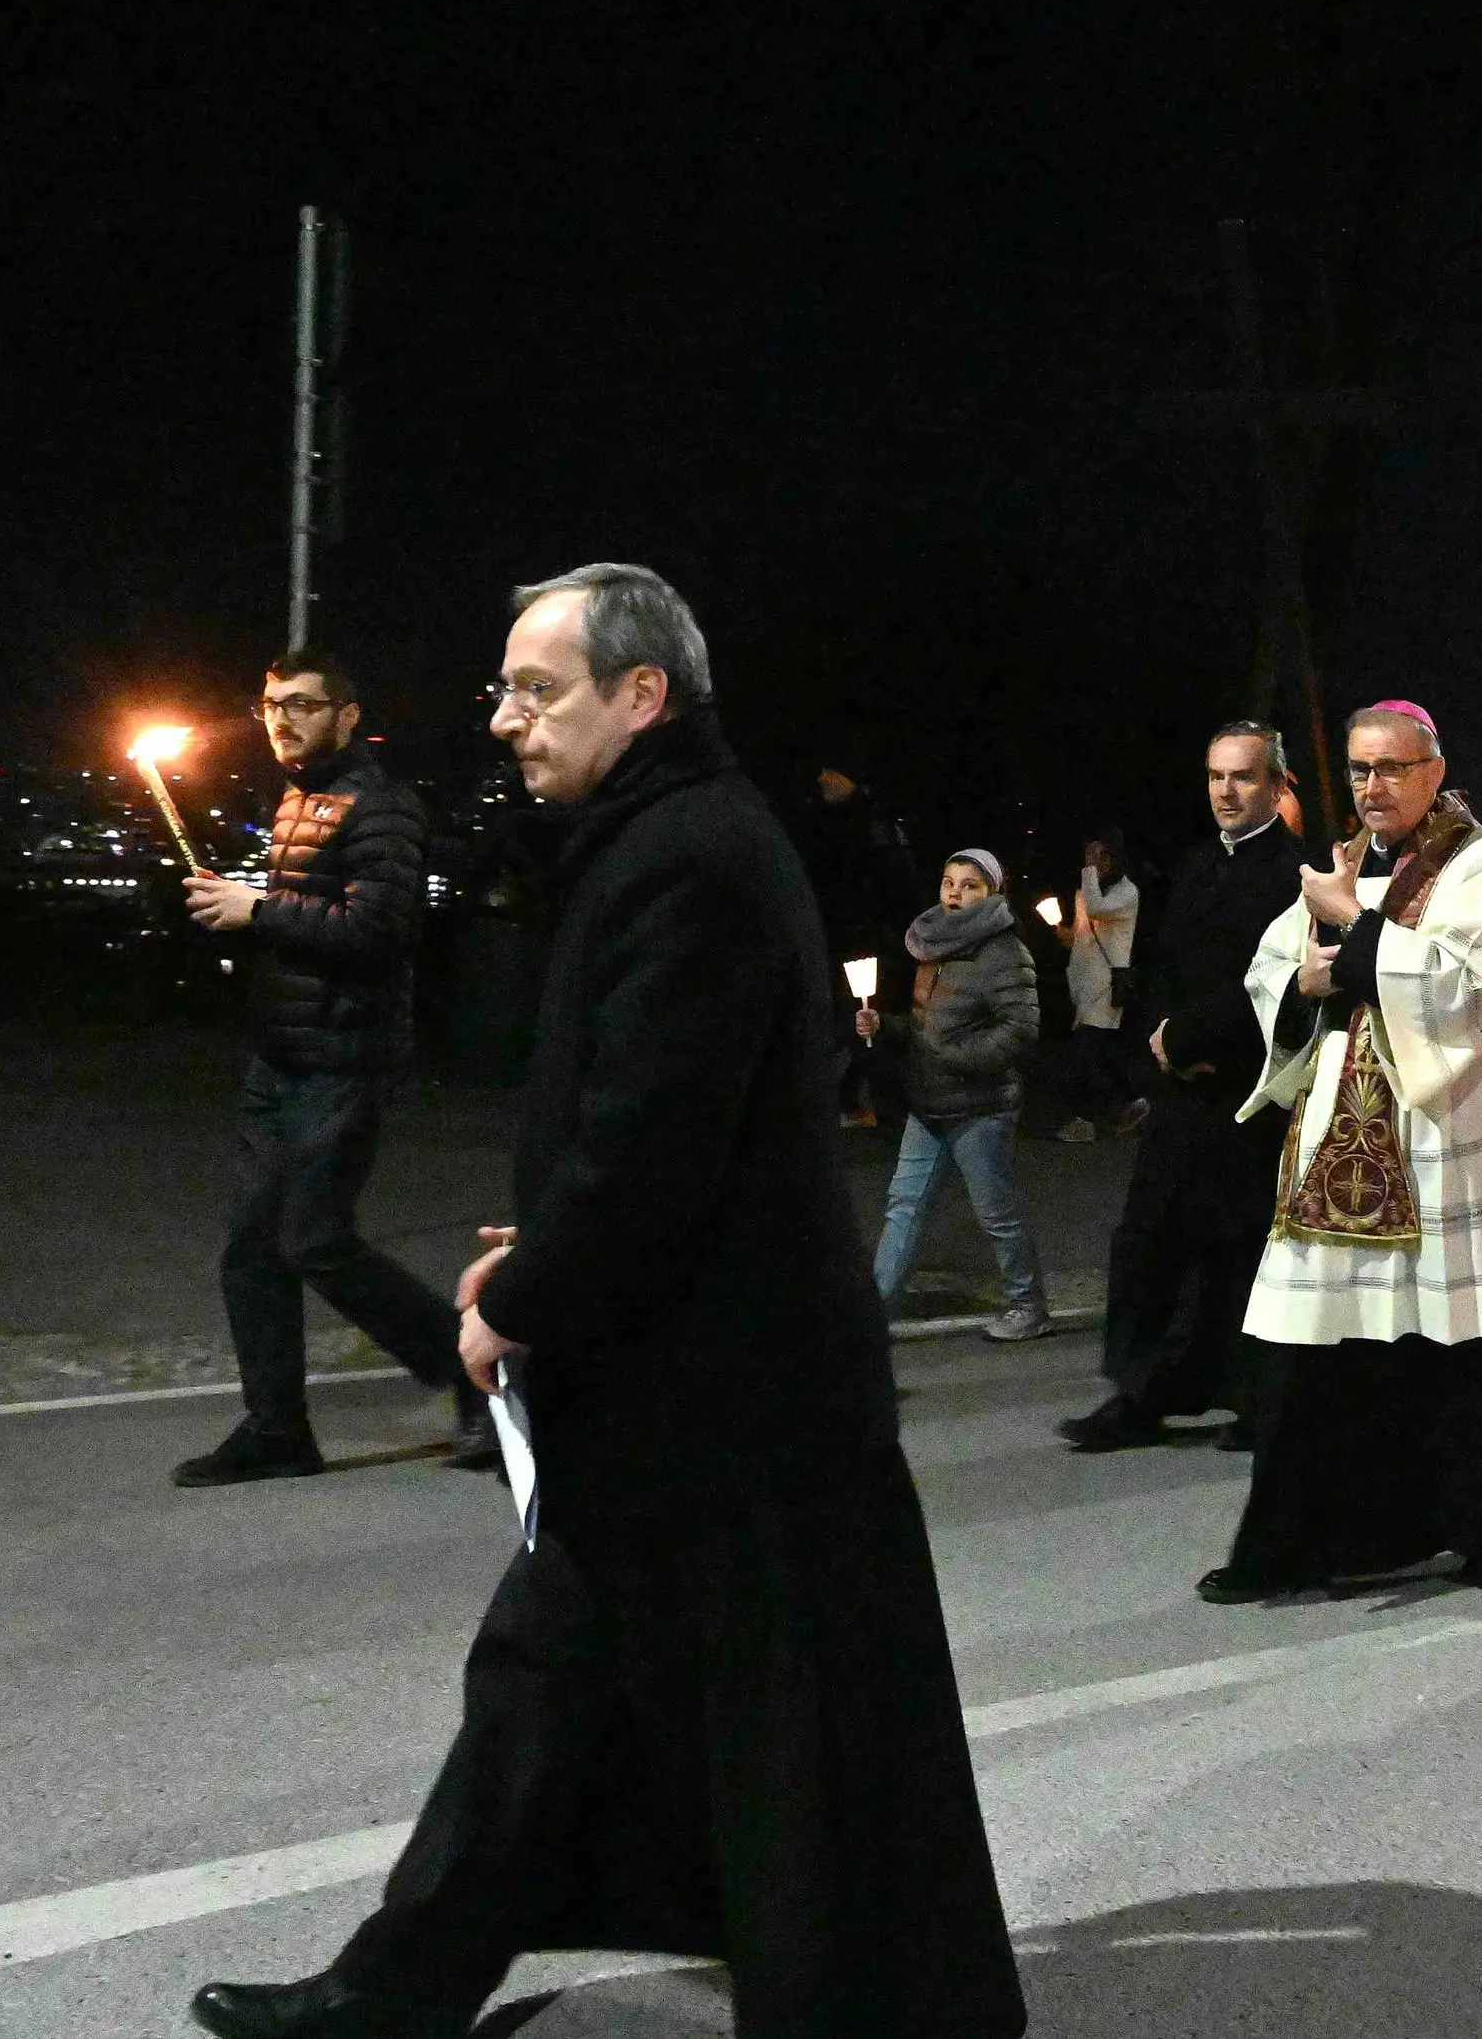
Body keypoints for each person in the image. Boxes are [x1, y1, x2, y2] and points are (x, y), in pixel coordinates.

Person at [188, 563, 1022, 2039]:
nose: (505, 718)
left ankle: (401, 1999)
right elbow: (656, 1121)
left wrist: (524, 1292)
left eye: (537, 688)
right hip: (710, 1366)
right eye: (503, 688)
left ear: (642, 695)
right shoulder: (663, 834)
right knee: (582, 1694)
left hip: (718, 1383)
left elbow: (656, 1133)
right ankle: (400, 1994)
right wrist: (552, 1241)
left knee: (695, 1708)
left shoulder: (685, 851)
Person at [1202, 701, 1482, 1600]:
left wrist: (1354, 927)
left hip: (1439, 1136)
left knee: (1457, 1347)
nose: (1374, 787)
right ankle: (1300, 1542)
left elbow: (1466, 992)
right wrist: (1306, 976)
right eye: (1362, 770)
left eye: (1393, 768)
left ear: (1434, 772)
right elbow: (1274, 971)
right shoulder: (1344, 864)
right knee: (1318, 1348)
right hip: (1340, 1135)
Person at [173, 645, 485, 1488]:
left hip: (344, 1060)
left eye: (303, 705)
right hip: (280, 1059)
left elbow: (379, 932)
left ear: (348, 718)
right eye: (271, 705)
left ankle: (475, 1377)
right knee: (251, 1250)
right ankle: (277, 1429)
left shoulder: (381, 807)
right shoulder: (297, 797)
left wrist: (260, 910)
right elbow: (307, 923)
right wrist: (240, 917)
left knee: (314, 1240)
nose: (282, 720)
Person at [1058, 723, 1306, 1452]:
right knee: (1150, 1240)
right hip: (1179, 1090)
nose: (1225, 791)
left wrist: (1193, 1041)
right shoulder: (1196, 865)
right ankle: (1140, 1394)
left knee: (1238, 1250)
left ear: (1275, 785)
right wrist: (1156, 1051)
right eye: (1215, 776)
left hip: (1246, 1088)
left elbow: (1275, 982)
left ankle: (1253, 1401)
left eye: (1243, 777)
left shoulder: (1297, 873)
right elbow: (1161, 967)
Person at [863, 847, 1054, 1341]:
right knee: (903, 1205)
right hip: (928, 1104)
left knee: (996, 1214)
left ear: (992, 892)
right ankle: (869, 1317)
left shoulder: (1004, 951)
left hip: (980, 1108)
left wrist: (957, 1058)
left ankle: (1028, 1306)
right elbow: (931, 1028)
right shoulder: (936, 946)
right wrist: (884, 1024)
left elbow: (1021, 1029)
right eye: (949, 883)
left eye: (969, 885)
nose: (955, 893)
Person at [795, 765, 922, 1126]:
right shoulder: (834, 825)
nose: (824, 781)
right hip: (851, 939)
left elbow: (891, 880)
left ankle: (869, 1104)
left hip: (866, 939)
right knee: (859, 1023)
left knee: (867, 1022)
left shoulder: (865, 825)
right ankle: (864, 1104)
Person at [1056, 828, 1149, 1142]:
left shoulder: (1127, 893)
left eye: (1098, 856)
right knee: (1101, 1051)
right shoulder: (1086, 892)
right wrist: (1063, 932)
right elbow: (1082, 937)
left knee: (1088, 1050)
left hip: (1108, 985)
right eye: (1088, 856)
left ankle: (1087, 1119)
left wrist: (1088, 873)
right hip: (1084, 982)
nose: (1092, 863)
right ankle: (1132, 1101)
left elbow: (1097, 909)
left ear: (1112, 858)